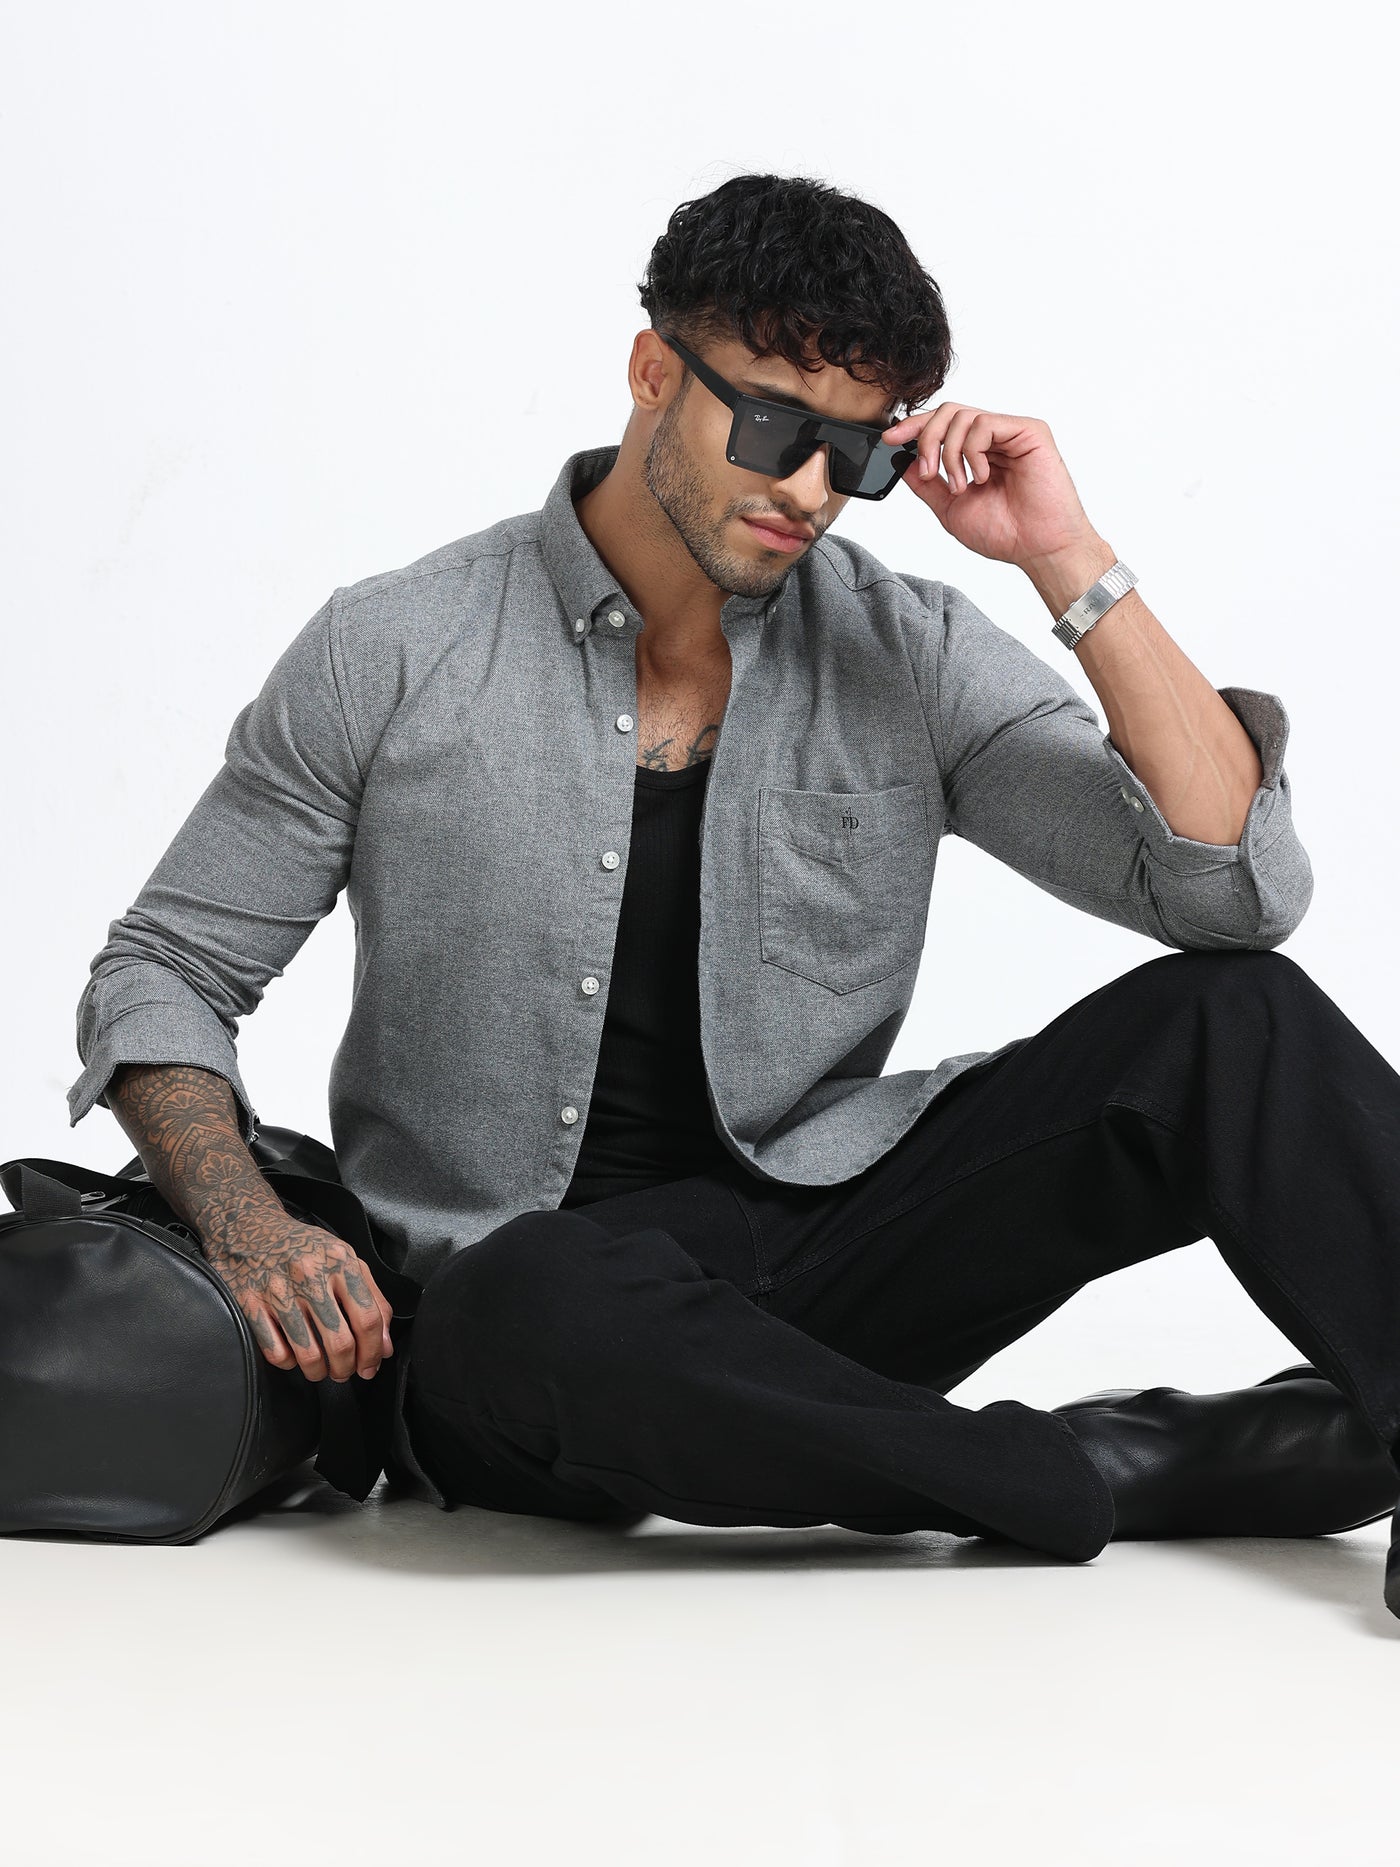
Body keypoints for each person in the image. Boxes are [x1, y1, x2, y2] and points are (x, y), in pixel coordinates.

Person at [69, 173, 1400, 1608]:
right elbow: (166, 971)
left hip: (819, 1245)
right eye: (771, 425)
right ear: (654, 370)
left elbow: (1232, 893)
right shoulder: (393, 649)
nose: (810, 491)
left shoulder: (907, 650)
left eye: (855, 452)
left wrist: (1064, 558)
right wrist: (249, 1222)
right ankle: (1114, 1467)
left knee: (1235, 1020)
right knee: (531, 1293)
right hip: (511, 1320)